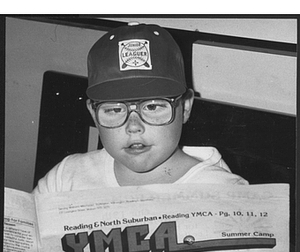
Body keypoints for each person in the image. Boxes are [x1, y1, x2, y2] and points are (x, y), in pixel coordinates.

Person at [33, 22, 248, 194]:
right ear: (93, 114)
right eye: (115, 110)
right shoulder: (65, 178)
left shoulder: (226, 192)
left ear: (185, 107)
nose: (133, 127)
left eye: (153, 106)